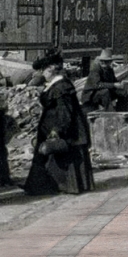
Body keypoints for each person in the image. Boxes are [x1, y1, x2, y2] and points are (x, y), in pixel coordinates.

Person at [22, 51, 94, 196]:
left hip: (63, 128)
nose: (42, 74)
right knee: (46, 155)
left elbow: (65, 112)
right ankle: (39, 186)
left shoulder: (61, 87)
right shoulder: (55, 85)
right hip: (51, 127)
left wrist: (57, 129)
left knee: (58, 155)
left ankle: (52, 186)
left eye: (43, 70)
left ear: (50, 70)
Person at [81, 48, 128, 114]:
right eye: (102, 61)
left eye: (106, 61)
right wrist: (114, 85)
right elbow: (97, 85)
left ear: (110, 62)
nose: (103, 62)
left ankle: (122, 112)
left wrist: (121, 85)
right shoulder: (95, 69)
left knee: (123, 92)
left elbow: (114, 81)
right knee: (105, 92)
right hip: (91, 95)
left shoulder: (109, 70)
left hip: (104, 92)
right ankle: (111, 114)